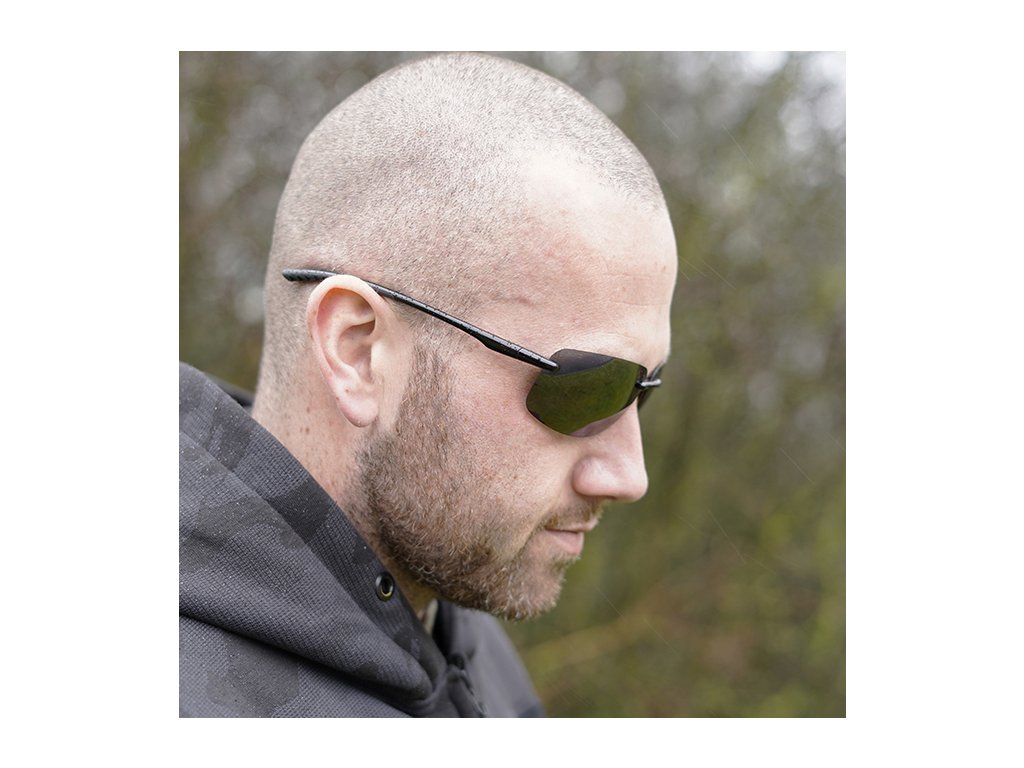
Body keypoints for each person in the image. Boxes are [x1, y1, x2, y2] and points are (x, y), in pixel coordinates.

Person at [179, 52, 677, 717]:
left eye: (643, 390)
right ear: (358, 351)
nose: (629, 476)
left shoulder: (463, 635)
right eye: (589, 389)